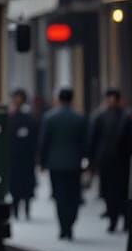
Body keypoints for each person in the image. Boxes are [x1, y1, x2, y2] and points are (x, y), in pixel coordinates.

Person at [38, 86, 88, 240]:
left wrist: (42, 162)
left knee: (59, 196)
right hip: (74, 163)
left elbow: (44, 142)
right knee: (73, 195)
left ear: (58, 99)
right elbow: (85, 142)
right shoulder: (79, 118)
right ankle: (71, 224)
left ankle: (63, 227)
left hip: (56, 163)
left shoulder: (50, 117)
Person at [89, 88, 132, 233]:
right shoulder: (100, 117)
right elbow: (94, 140)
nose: (111, 101)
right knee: (108, 192)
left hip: (123, 161)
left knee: (123, 192)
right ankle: (112, 219)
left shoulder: (126, 117)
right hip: (106, 160)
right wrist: (92, 161)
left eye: (114, 98)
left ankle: (126, 220)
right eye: (109, 98)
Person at [8, 88, 38, 219]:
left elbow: (35, 138)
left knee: (27, 186)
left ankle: (26, 210)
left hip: (27, 157)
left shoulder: (29, 118)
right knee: (14, 186)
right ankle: (15, 210)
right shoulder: (9, 117)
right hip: (13, 157)